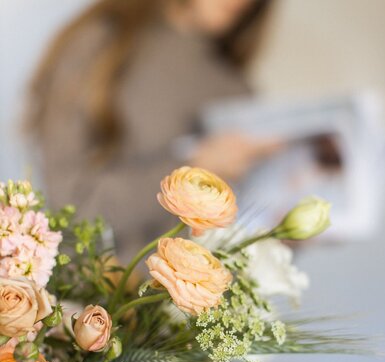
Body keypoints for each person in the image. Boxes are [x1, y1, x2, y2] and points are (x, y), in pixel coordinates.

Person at [27, 0, 278, 262]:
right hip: (85, 291)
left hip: (192, 297)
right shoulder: (103, 45)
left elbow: (236, 235)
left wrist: (280, 232)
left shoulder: (236, 91)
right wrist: (195, 167)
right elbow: (71, 205)